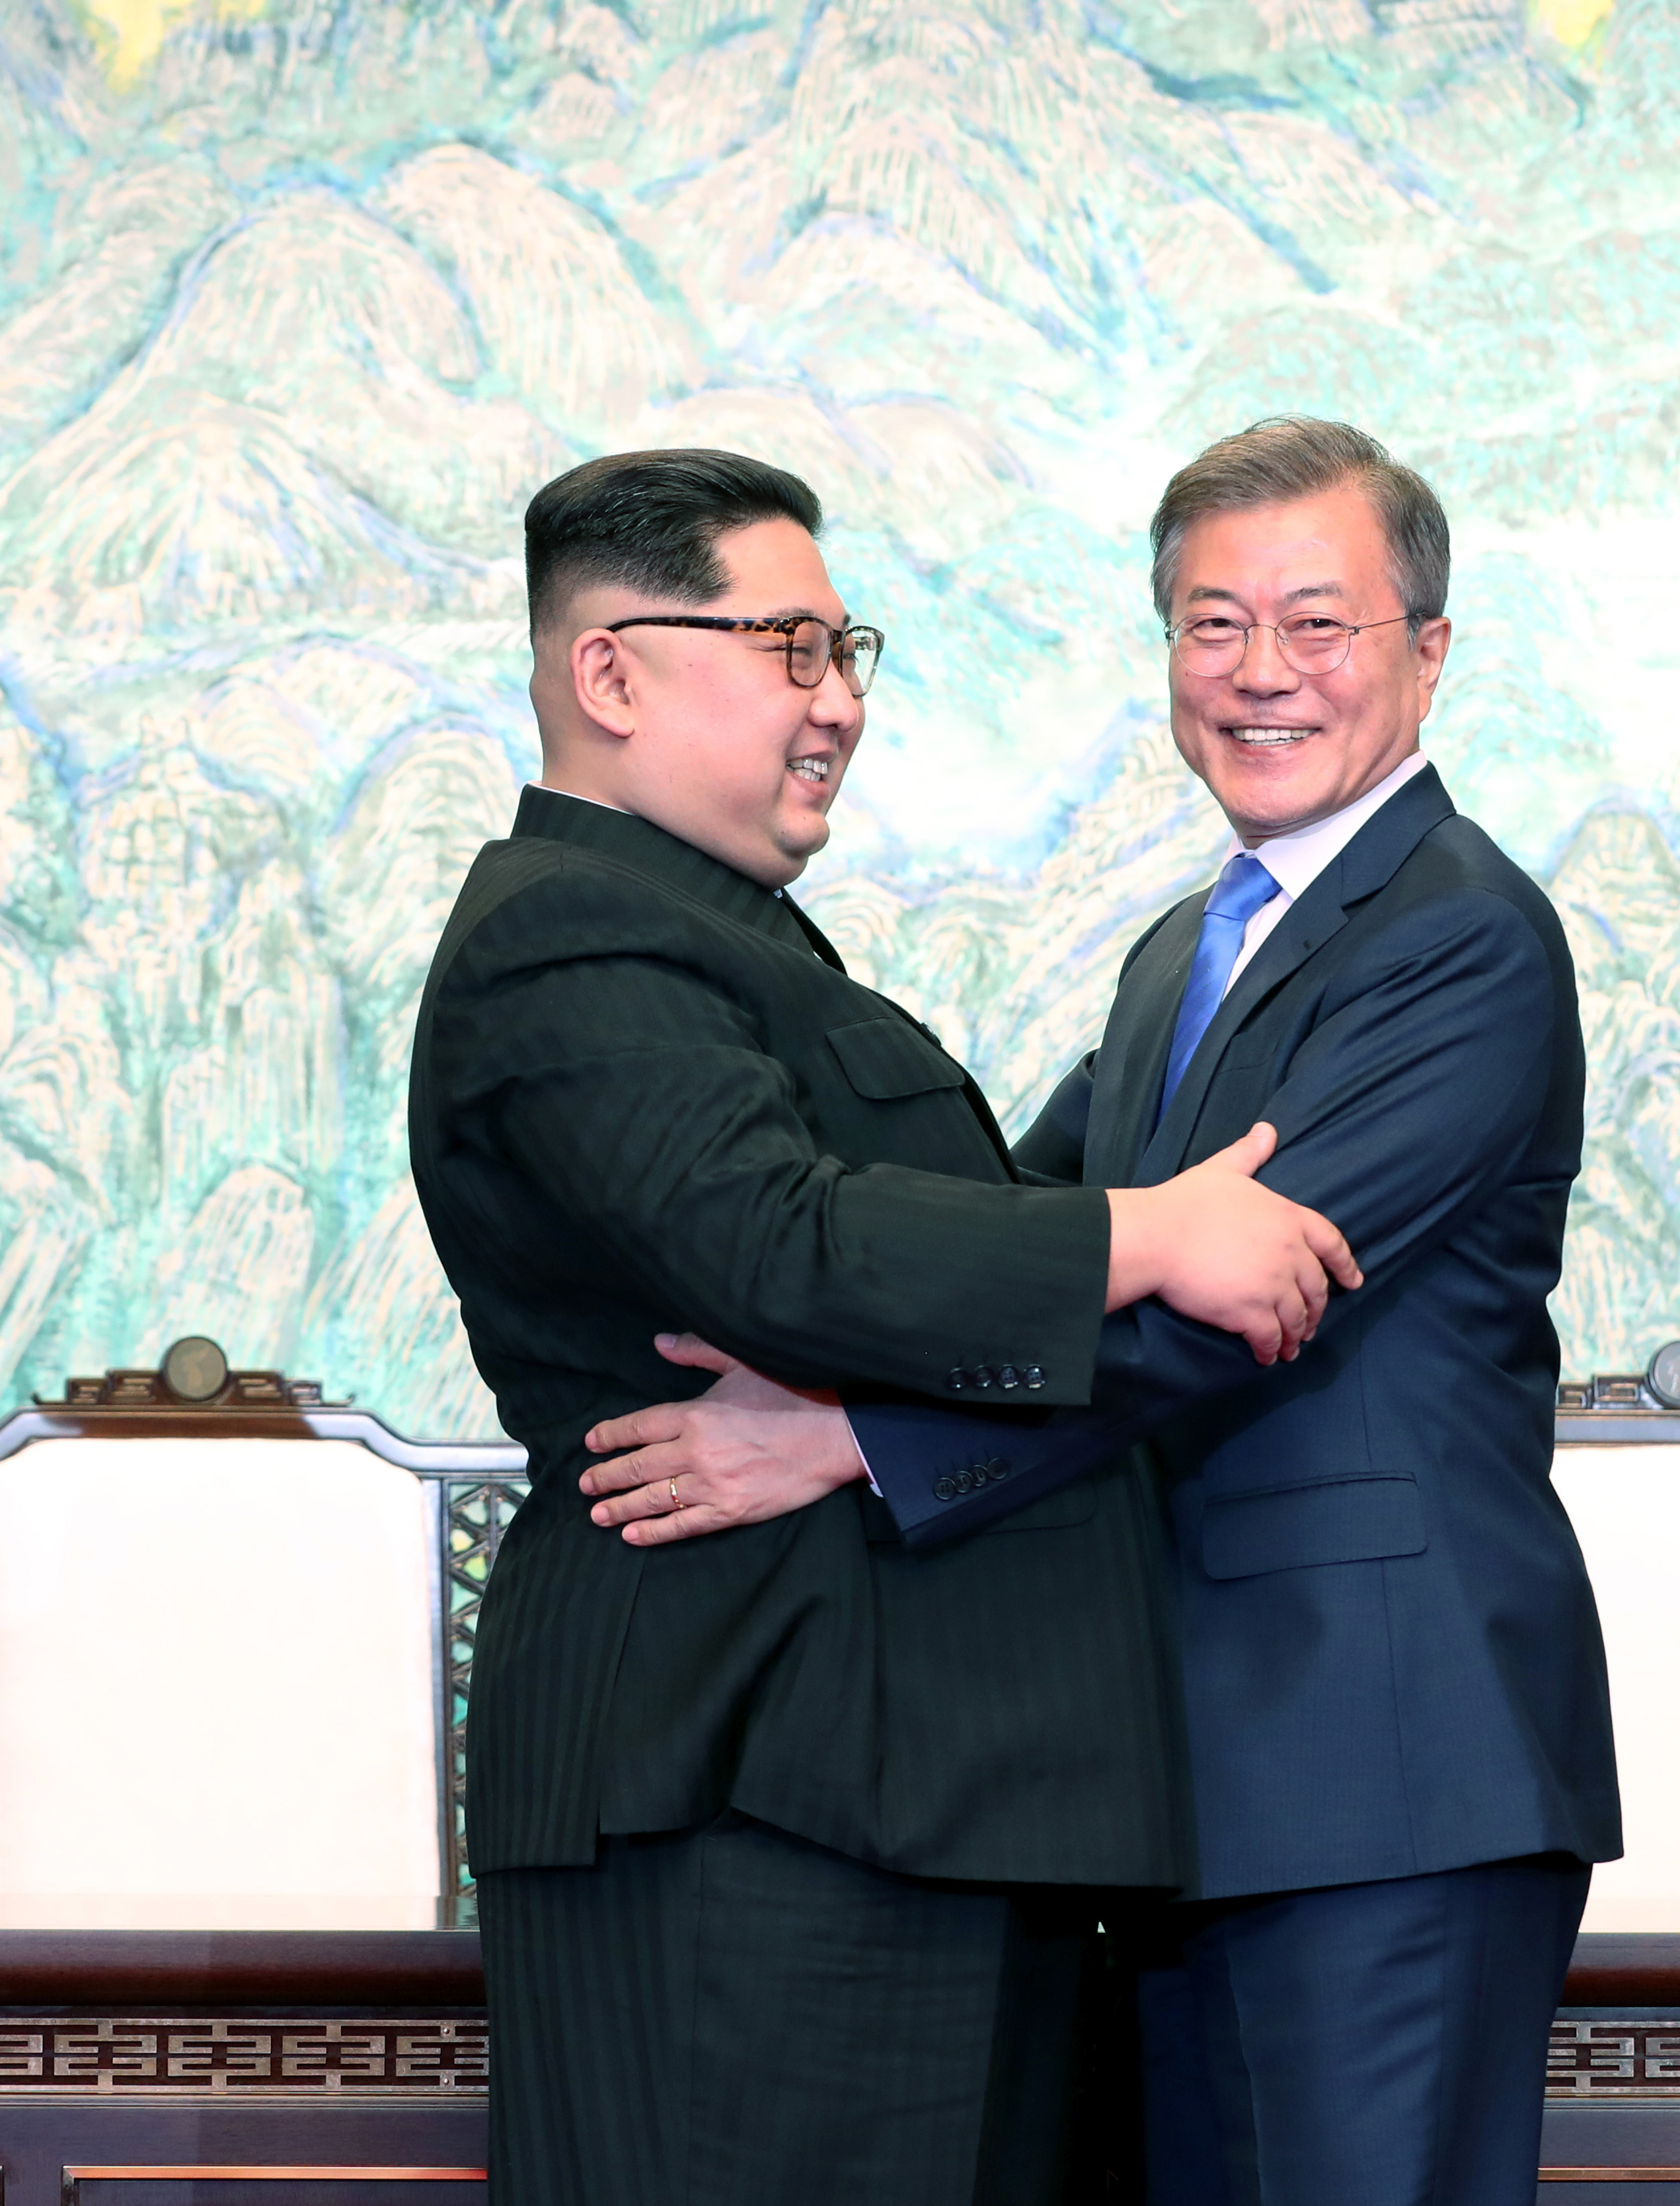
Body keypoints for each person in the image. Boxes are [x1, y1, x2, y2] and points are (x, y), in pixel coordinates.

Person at [582, 416, 1619, 2205]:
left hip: (1384, 1771)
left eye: (1317, 623)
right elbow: (1031, 1233)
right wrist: (775, 1259)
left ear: (1425, 653)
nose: (1259, 674)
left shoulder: (1460, 937)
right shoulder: (1180, 955)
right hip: (1177, 1777)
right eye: (1210, 626)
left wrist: (839, 1441)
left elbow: (1221, 1319)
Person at [406, 446, 1361, 2206]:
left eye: (852, 654)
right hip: (756, 1807)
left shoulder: (734, 947)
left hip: (893, 1810)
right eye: (791, 650)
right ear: (611, 670)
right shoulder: (574, 944)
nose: (839, 703)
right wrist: (1145, 1235)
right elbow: (780, 1246)